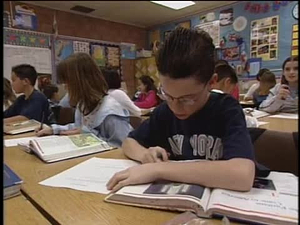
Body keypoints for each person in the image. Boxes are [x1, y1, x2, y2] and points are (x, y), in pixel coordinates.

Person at [107, 27, 255, 193]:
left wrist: (158, 170)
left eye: (188, 98)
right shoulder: (164, 112)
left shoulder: (227, 109)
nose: (175, 107)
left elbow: (243, 175)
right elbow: (129, 142)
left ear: (212, 82)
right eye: (167, 95)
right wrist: (144, 155)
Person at [36, 53, 133, 147]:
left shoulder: (110, 112)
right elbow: (79, 128)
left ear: (81, 82)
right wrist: (54, 129)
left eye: (67, 82)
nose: (65, 87)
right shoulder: (82, 105)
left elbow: (124, 146)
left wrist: (88, 136)